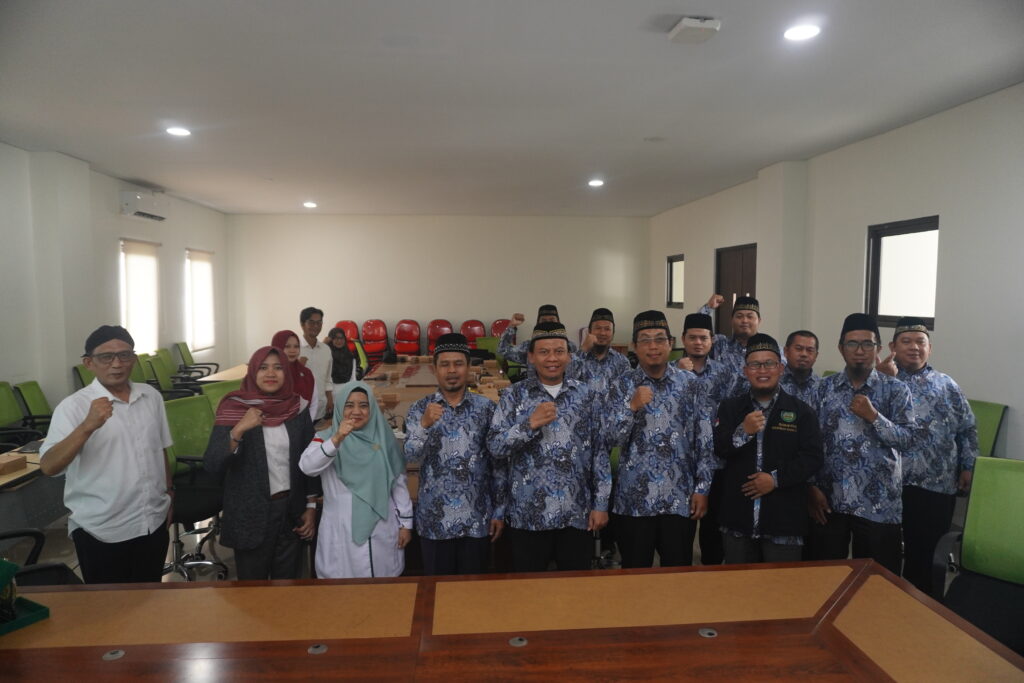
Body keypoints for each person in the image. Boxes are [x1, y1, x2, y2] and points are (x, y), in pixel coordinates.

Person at [39, 325, 172, 584]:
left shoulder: (151, 396)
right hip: (102, 529)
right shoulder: (73, 407)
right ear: (89, 363)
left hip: (152, 520)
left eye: (124, 355)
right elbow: (48, 466)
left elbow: (160, 449)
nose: (117, 364)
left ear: (134, 359)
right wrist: (87, 426)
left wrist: (169, 493)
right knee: (108, 606)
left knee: (151, 598)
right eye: (106, 357)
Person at [487, 321, 610, 572]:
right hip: (527, 515)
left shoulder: (586, 395)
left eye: (559, 351)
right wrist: (529, 425)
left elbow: (600, 452)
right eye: (544, 352)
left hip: (576, 512)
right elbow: (495, 448)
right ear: (531, 357)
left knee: (574, 588)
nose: (552, 358)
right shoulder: (514, 396)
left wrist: (601, 504)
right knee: (529, 588)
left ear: (569, 356)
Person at [806, 313, 914, 574]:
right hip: (830, 499)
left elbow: (908, 440)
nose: (859, 351)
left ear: (878, 348)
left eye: (867, 344)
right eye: (852, 344)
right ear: (841, 348)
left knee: (878, 581)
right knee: (826, 577)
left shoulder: (896, 390)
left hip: (878, 502)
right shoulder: (823, 388)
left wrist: (875, 417)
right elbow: (808, 442)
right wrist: (810, 487)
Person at [605, 311, 714, 568]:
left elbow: (705, 439)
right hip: (634, 500)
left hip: (679, 497)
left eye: (659, 339)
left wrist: (702, 488)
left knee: (677, 576)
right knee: (635, 575)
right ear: (634, 346)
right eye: (645, 340)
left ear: (671, 343)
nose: (653, 346)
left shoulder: (691, 384)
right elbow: (610, 439)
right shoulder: (621, 385)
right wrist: (631, 407)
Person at [877, 317, 977, 595]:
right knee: (884, 557)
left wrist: (967, 465)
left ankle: (926, 610)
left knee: (928, 558)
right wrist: (881, 379)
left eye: (920, 342)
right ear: (892, 347)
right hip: (888, 486)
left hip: (936, 485)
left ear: (929, 348)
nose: (914, 347)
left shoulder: (946, 385)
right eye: (906, 341)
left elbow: (967, 428)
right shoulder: (881, 381)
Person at [204, 346, 320, 580]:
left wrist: (311, 506)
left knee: (288, 588)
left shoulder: (297, 408)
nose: (271, 373)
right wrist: (238, 430)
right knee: (252, 593)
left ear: (286, 372)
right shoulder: (234, 408)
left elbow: (310, 459)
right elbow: (213, 464)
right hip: (249, 515)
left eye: (278, 368)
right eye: (263, 368)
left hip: (291, 512)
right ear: (253, 372)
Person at [714, 334, 823, 564]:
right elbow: (718, 449)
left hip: (784, 522)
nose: (762, 370)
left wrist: (774, 480)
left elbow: (812, 458)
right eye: (755, 364)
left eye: (769, 364)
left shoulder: (802, 411)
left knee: (781, 585)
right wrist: (743, 431)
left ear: (781, 368)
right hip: (737, 520)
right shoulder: (730, 408)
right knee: (738, 584)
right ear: (746, 371)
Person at [404, 333, 506, 575]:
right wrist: (424, 426)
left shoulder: (486, 409)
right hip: (434, 521)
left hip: (476, 520)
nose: (452, 370)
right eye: (445, 364)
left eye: (458, 364)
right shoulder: (419, 409)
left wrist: (499, 510)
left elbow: (498, 464)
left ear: (468, 366)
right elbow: (410, 456)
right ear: (435, 368)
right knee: (437, 591)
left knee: (472, 592)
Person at [300, 382, 413, 578]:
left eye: (363, 405)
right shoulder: (325, 438)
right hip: (341, 529)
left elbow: (398, 484)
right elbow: (307, 467)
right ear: (339, 408)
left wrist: (405, 524)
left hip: (382, 527)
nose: (357, 411)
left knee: (383, 587)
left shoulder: (385, 439)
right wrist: (337, 439)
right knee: (342, 589)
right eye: (349, 405)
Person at [676, 312, 741, 566]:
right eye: (692, 337)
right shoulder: (671, 372)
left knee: (713, 523)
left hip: (716, 458)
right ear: (683, 339)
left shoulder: (724, 373)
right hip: (681, 458)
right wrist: (679, 374)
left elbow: (733, 410)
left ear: (712, 340)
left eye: (703, 338)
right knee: (682, 525)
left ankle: (710, 569)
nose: (698, 343)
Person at [498, 305, 578, 378]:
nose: (548, 323)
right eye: (544, 321)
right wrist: (512, 326)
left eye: (552, 320)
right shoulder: (528, 346)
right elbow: (503, 350)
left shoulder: (570, 347)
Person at [698, 294, 762, 374]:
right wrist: (709, 307)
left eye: (750, 317)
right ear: (731, 320)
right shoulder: (719, 344)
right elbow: (697, 331)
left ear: (759, 321)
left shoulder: (767, 348)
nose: (745, 320)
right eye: (739, 316)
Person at [576, 307, 630, 393]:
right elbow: (567, 381)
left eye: (607, 329)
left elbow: (627, 393)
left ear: (613, 333)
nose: (602, 333)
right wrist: (583, 349)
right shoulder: (578, 358)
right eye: (598, 328)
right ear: (589, 331)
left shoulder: (622, 362)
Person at [271, 329, 319, 421]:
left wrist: (307, 423)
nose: (292, 350)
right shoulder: (269, 374)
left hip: (302, 424)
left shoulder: (306, 373)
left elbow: (314, 402)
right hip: (274, 425)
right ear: (277, 347)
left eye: (296, 346)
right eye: (287, 346)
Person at [299, 306, 332, 421]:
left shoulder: (326, 350)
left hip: (321, 406)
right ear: (302, 324)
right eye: (311, 322)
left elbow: (327, 378)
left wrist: (329, 399)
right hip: (300, 409)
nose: (316, 326)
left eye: (319, 323)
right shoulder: (294, 349)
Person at [780, 330, 822, 405]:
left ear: (816, 356)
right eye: (798, 349)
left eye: (810, 350)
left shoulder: (822, 387)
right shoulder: (774, 382)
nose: (804, 354)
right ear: (786, 351)